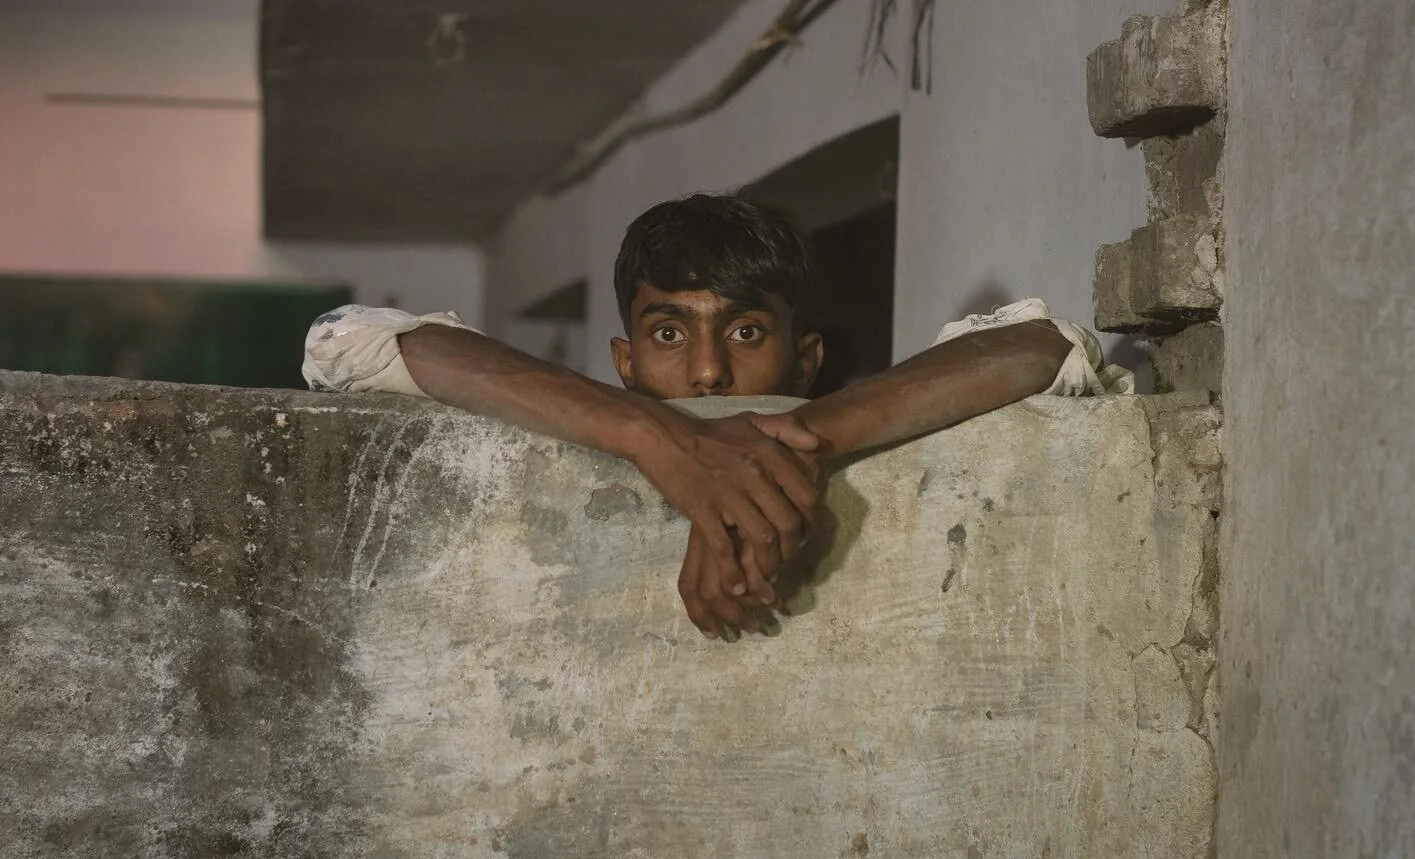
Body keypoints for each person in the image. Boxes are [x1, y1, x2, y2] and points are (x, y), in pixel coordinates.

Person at [303, 194, 1130, 637]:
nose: (706, 368)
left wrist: (797, 442)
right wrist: (654, 437)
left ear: (805, 362)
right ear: (625, 365)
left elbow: (1046, 348)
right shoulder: (627, 415)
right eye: (669, 333)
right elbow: (343, 341)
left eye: (743, 331)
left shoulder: (825, 412)